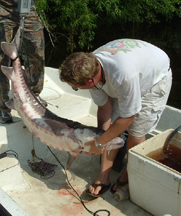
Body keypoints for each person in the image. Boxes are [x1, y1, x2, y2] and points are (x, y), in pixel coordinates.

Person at [59, 39, 172, 197]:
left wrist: (99, 143)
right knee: (112, 126)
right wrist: (99, 139)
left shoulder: (123, 75)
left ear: (90, 81)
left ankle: (126, 176)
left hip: (154, 78)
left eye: (76, 88)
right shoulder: (90, 68)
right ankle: (104, 177)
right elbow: (105, 109)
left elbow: (128, 117)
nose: (76, 89)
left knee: (136, 132)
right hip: (130, 69)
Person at [0, 0, 45, 123]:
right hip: (0, 8)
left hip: (27, 5)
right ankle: (3, 105)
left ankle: (33, 95)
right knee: (0, 61)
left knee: (37, 53)